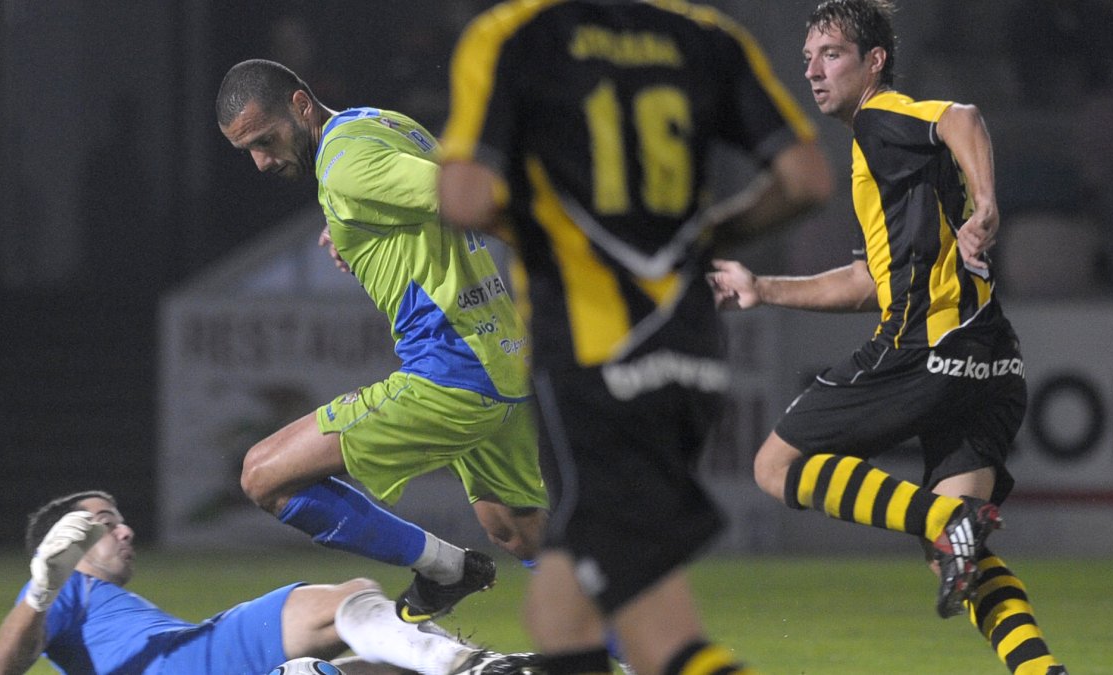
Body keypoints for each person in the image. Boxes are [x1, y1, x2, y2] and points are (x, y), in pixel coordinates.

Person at [438, 2, 832, 675]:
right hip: (691, 357)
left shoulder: (512, 36)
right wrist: (710, 233)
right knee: (571, 612)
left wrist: (543, 227)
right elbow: (806, 179)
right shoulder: (709, 37)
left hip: (592, 360)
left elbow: (465, 198)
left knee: (647, 630)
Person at [709, 2, 1067, 674]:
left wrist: (989, 203)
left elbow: (962, 116)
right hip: (991, 360)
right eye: (808, 58)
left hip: (926, 350)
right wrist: (763, 287)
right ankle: (1042, 670)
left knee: (774, 467)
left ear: (874, 61)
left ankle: (945, 521)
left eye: (831, 54)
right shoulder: (885, 155)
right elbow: (870, 282)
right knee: (954, 558)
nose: (813, 71)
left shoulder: (881, 120)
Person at [214, 59, 549, 624]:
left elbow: (480, 196)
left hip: (453, 372)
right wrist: (352, 230)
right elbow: (429, 198)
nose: (261, 161)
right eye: (247, 150)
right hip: (501, 359)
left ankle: (447, 569)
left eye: (265, 140)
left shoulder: (346, 168)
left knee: (263, 475)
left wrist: (585, 262)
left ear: (300, 105)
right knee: (519, 533)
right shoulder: (378, 123)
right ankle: (645, 654)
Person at [0, 490, 543, 675]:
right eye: (104, 523)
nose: (125, 530)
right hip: (199, 659)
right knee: (348, 599)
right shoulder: (60, 589)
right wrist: (42, 585)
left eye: (119, 519)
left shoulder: (96, 599)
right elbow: (6, 665)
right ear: (62, 543)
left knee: (389, 666)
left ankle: (478, 666)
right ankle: (470, 666)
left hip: (204, 655)